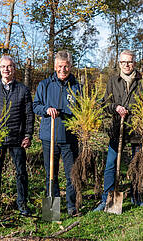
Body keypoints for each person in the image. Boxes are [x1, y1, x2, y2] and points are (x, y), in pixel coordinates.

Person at [94, 50, 143, 211]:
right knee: (111, 165)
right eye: (123, 62)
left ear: (135, 63)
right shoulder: (113, 81)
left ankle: (136, 195)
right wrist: (116, 107)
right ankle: (107, 198)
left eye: (130, 61)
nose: (126, 65)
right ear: (119, 63)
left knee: (137, 164)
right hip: (117, 129)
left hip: (137, 130)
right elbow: (105, 105)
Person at [0, 56, 34, 215]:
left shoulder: (23, 90)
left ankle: (22, 204)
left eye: (10, 66)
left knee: (21, 172)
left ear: (14, 69)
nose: (6, 69)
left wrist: (28, 135)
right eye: (3, 66)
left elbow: (29, 115)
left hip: (17, 138)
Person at [33, 50, 80, 216]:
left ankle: (71, 206)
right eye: (60, 66)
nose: (63, 70)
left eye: (66, 66)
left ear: (70, 67)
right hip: (49, 137)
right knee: (51, 174)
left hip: (69, 138)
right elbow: (35, 106)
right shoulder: (44, 85)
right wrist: (47, 109)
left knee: (71, 174)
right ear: (55, 66)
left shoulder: (76, 87)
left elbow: (81, 110)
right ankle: (52, 209)